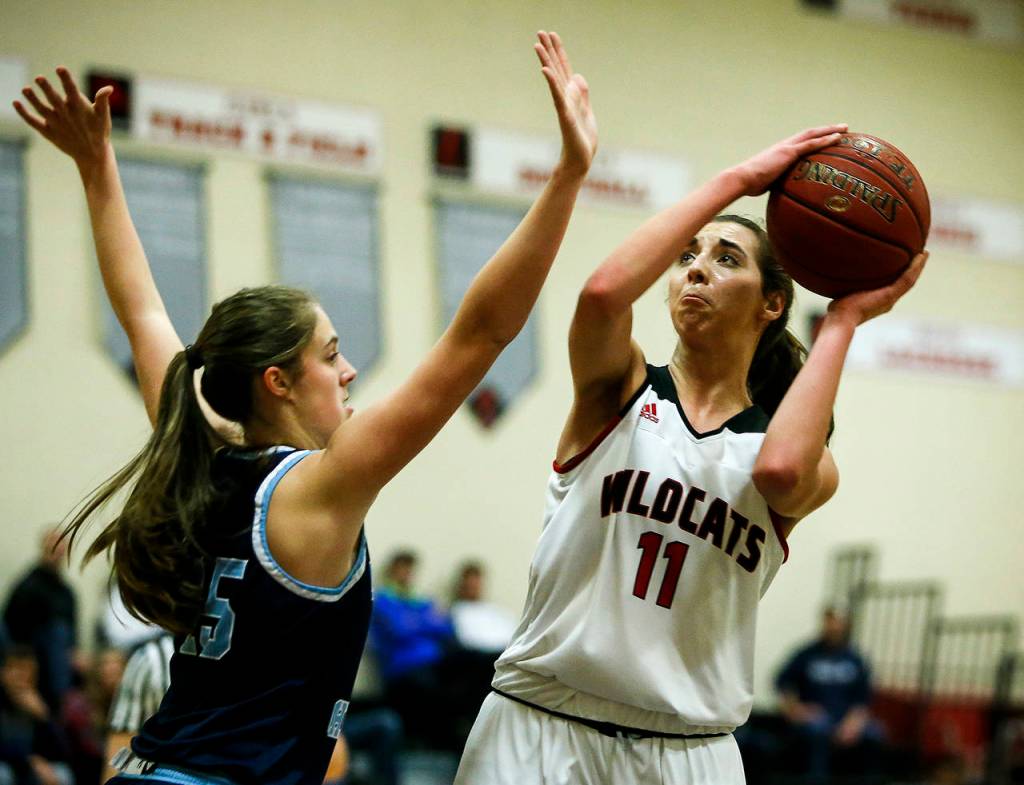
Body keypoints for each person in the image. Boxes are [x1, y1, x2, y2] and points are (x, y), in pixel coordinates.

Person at [14, 29, 596, 785]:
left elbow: (143, 314)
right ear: (276, 382)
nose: (349, 370)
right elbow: (479, 334)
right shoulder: (322, 483)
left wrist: (98, 170)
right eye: (329, 355)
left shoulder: (195, 444)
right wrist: (568, 177)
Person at [454, 37, 927, 783]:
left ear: (773, 304)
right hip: (539, 721)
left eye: (726, 259)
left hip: (689, 748)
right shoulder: (619, 390)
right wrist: (738, 180)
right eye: (687, 257)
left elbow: (776, 470)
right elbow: (604, 294)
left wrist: (841, 321)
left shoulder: (797, 456)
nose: (697, 268)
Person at [776, 607, 884, 781]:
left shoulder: (855, 659)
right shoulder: (806, 654)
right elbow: (782, 684)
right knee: (818, 730)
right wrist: (798, 710)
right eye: (831, 622)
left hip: (845, 719)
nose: (835, 627)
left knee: (874, 733)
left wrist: (853, 724)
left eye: (839, 623)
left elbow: (862, 700)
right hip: (816, 718)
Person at [2, 527, 78, 715]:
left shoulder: (67, 592)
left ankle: (63, 710)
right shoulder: (27, 586)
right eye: (52, 546)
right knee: (57, 633)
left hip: (56, 658)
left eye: (61, 547)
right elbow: (12, 626)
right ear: (43, 548)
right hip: (26, 651)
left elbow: (72, 635)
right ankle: (60, 706)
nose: (57, 551)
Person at [449, 561, 516, 656]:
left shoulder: (495, 611)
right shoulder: (457, 612)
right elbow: (469, 641)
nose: (473, 587)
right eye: (470, 584)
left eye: (476, 583)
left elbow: (514, 636)